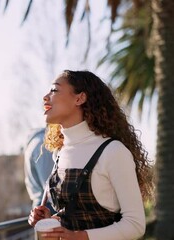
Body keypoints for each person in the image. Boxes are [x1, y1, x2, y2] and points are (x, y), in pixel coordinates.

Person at [28, 70, 153, 240]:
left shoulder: (113, 152)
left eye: (54, 90)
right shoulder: (59, 152)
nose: (45, 97)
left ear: (79, 98)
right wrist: (51, 220)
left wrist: (79, 236)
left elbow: (135, 225)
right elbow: (74, 217)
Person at [24, 128, 55, 213]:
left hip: (42, 203)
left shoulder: (34, 143)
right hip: (48, 205)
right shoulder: (42, 143)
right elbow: (49, 183)